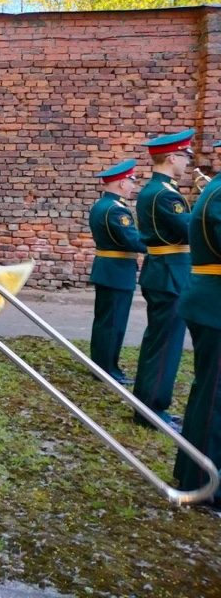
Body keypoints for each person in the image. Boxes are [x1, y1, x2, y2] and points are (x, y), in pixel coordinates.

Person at [133, 129, 195, 430]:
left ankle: (146, 404)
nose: (188, 164)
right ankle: (152, 409)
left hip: (164, 270)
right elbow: (190, 231)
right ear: (171, 157)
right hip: (170, 272)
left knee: (158, 341)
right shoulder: (165, 194)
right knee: (166, 345)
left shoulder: (155, 190)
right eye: (185, 156)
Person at [174, 138, 221, 512]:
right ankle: (206, 483)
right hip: (213, 301)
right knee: (215, 397)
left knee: (209, 391)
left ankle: (193, 471)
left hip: (208, 298)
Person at [88, 159, 146, 385]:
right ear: (122, 183)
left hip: (109, 270)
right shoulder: (116, 210)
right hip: (117, 272)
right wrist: (159, 242)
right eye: (132, 181)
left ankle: (101, 365)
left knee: (105, 322)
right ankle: (106, 369)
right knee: (113, 323)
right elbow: (132, 240)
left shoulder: (102, 205)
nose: (133, 186)